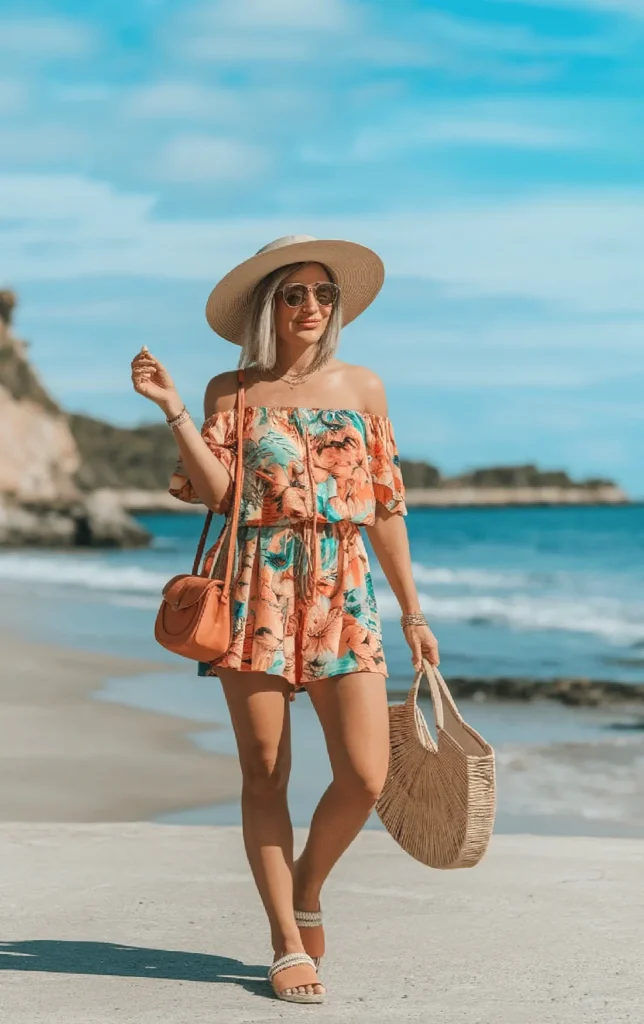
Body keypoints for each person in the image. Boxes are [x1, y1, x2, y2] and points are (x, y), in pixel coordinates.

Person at [130, 234, 440, 1004]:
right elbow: (219, 495)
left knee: (365, 775)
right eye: (295, 294)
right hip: (255, 590)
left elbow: (387, 508)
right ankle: (283, 941)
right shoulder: (229, 391)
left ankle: (306, 887)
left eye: (324, 294)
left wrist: (413, 613)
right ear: (269, 305)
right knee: (266, 772)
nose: (310, 307)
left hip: (344, 589)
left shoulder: (363, 387)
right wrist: (174, 410)